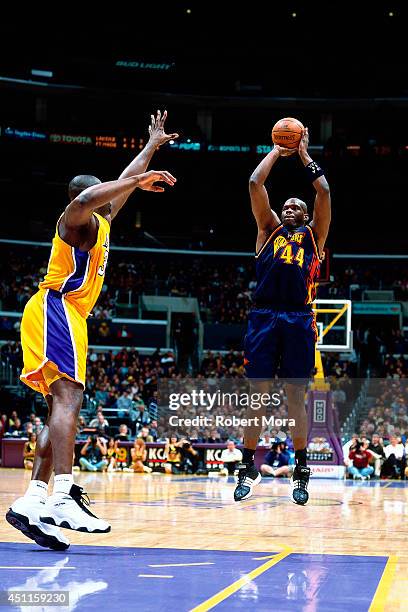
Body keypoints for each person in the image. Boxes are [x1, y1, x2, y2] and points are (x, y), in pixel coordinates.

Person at [6, 109, 178, 550]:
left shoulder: (100, 223)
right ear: (86, 197)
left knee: (59, 410)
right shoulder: (75, 220)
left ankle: (32, 500)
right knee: (69, 400)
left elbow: (123, 179)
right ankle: (63, 492)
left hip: (68, 317)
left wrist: (150, 147)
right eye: (101, 194)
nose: (109, 198)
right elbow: (90, 198)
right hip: (55, 308)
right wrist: (135, 182)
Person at [234, 127, 331, 505]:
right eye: (284, 207)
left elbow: (323, 191)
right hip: (263, 317)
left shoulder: (314, 238)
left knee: (295, 399)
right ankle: (247, 467)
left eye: (295, 207)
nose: (288, 210)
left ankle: (301, 468)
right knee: (256, 398)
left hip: (298, 318)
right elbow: (255, 182)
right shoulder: (267, 231)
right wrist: (277, 150)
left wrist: (304, 154)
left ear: (305, 216)